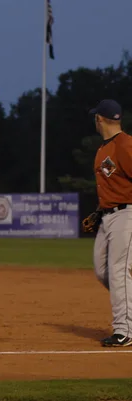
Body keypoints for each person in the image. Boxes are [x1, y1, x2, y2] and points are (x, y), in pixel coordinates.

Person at [86, 99, 132, 347]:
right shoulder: (104, 148)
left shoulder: (125, 144)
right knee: (103, 271)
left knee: (117, 272)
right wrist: (98, 211)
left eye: (95, 117)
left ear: (99, 119)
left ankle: (124, 331)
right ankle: (129, 313)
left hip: (127, 214)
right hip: (108, 215)